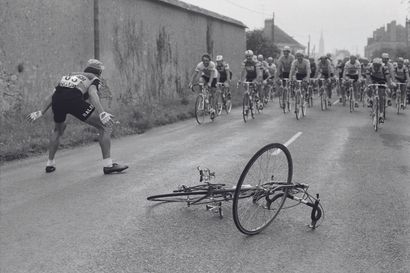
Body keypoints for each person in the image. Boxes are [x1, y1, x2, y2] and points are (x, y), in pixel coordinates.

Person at [27, 59, 128, 174]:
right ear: (99, 73)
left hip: (57, 101)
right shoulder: (93, 78)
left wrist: (41, 111)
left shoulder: (70, 75)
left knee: (58, 129)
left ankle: (50, 164)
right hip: (73, 100)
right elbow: (92, 94)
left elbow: (53, 94)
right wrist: (102, 113)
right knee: (105, 126)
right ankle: (108, 165)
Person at [366, 58, 395, 123]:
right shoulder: (370, 67)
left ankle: (381, 115)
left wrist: (389, 85)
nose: (376, 67)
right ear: (373, 64)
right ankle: (370, 99)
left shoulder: (384, 68)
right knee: (369, 88)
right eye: (375, 65)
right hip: (373, 79)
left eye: (378, 65)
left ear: (380, 65)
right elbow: (367, 78)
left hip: (382, 80)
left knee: (381, 97)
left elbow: (387, 78)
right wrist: (367, 86)